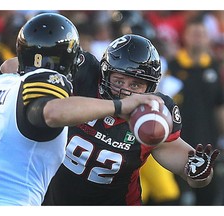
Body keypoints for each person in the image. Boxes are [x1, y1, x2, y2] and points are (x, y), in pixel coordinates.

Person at [0, 13, 163, 206]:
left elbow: (10, 67)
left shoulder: (5, 81)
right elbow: (50, 112)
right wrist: (118, 106)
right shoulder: (44, 80)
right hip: (4, 199)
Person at [39, 34, 219, 205]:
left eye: (135, 84)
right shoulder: (85, 78)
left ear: (149, 87)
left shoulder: (152, 116)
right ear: (104, 74)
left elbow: (189, 172)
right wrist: (117, 107)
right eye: (119, 81)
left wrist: (200, 173)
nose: (125, 91)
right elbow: (18, 72)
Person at [161, 15, 224, 205]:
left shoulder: (215, 66)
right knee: (175, 200)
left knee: (207, 199)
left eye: (202, 34)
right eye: (194, 33)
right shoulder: (172, 66)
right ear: (185, 37)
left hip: (208, 145)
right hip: (175, 147)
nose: (198, 38)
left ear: (208, 38)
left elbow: (219, 106)